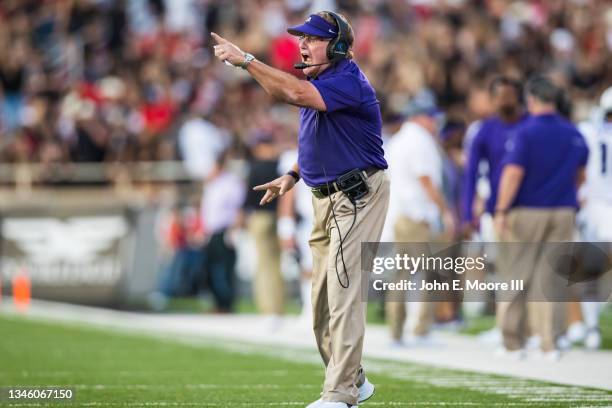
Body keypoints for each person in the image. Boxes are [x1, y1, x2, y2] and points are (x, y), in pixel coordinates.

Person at [211, 11, 389, 408]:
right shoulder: (321, 80)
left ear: (338, 45)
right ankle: (354, 379)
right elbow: (319, 137)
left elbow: (289, 93)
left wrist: (246, 60)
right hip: (324, 196)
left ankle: (339, 394)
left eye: (312, 38)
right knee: (321, 306)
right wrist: (292, 174)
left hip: (356, 195)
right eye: (301, 38)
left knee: (344, 295)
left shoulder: (344, 79)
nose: (302, 44)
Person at [494, 75, 588, 360]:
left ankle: (513, 342)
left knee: (516, 275)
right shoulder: (573, 132)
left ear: (532, 100)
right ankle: (549, 342)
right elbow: (581, 173)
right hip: (562, 210)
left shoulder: (525, 132)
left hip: (527, 210)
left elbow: (513, 174)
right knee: (551, 278)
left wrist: (500, 209)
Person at [384, 98, 453, 346]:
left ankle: (399, 331)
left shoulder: (399, 140)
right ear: (419, 117)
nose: (435, 122)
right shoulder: (419, 141)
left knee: (405, 274)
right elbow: (426, 180)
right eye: (431, 117)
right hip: (416, 216)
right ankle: (418, 330)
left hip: (403, 215)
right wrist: (446, 211)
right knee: (424, 275)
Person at [572, 86, 612, 349]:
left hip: (595, 205)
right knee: (591, 270)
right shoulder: (587, 131)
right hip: (596, 205)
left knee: (591, 270)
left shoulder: (587, 130)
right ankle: (589, 326)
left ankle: (590, 327)